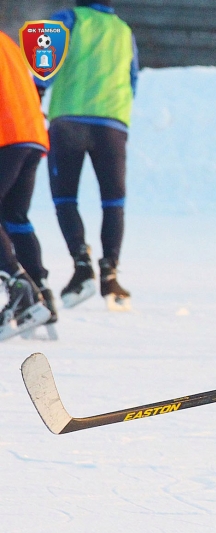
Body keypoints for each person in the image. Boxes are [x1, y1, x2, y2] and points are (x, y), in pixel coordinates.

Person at [37, 1, 138, 311]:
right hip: (112, 124)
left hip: (69, 120)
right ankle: (110, 273)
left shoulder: (68, 19)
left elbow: (44, 63)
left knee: (65, 199)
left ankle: (82, 267)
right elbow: (133, 79)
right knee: (113, 201)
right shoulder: (124, 31)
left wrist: (38, 91)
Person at [0, 30, 54, 341]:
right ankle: (41, 293)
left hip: (7, 137)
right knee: (15, 216)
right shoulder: (7, 40)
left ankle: (19, 287)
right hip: (32, 135)